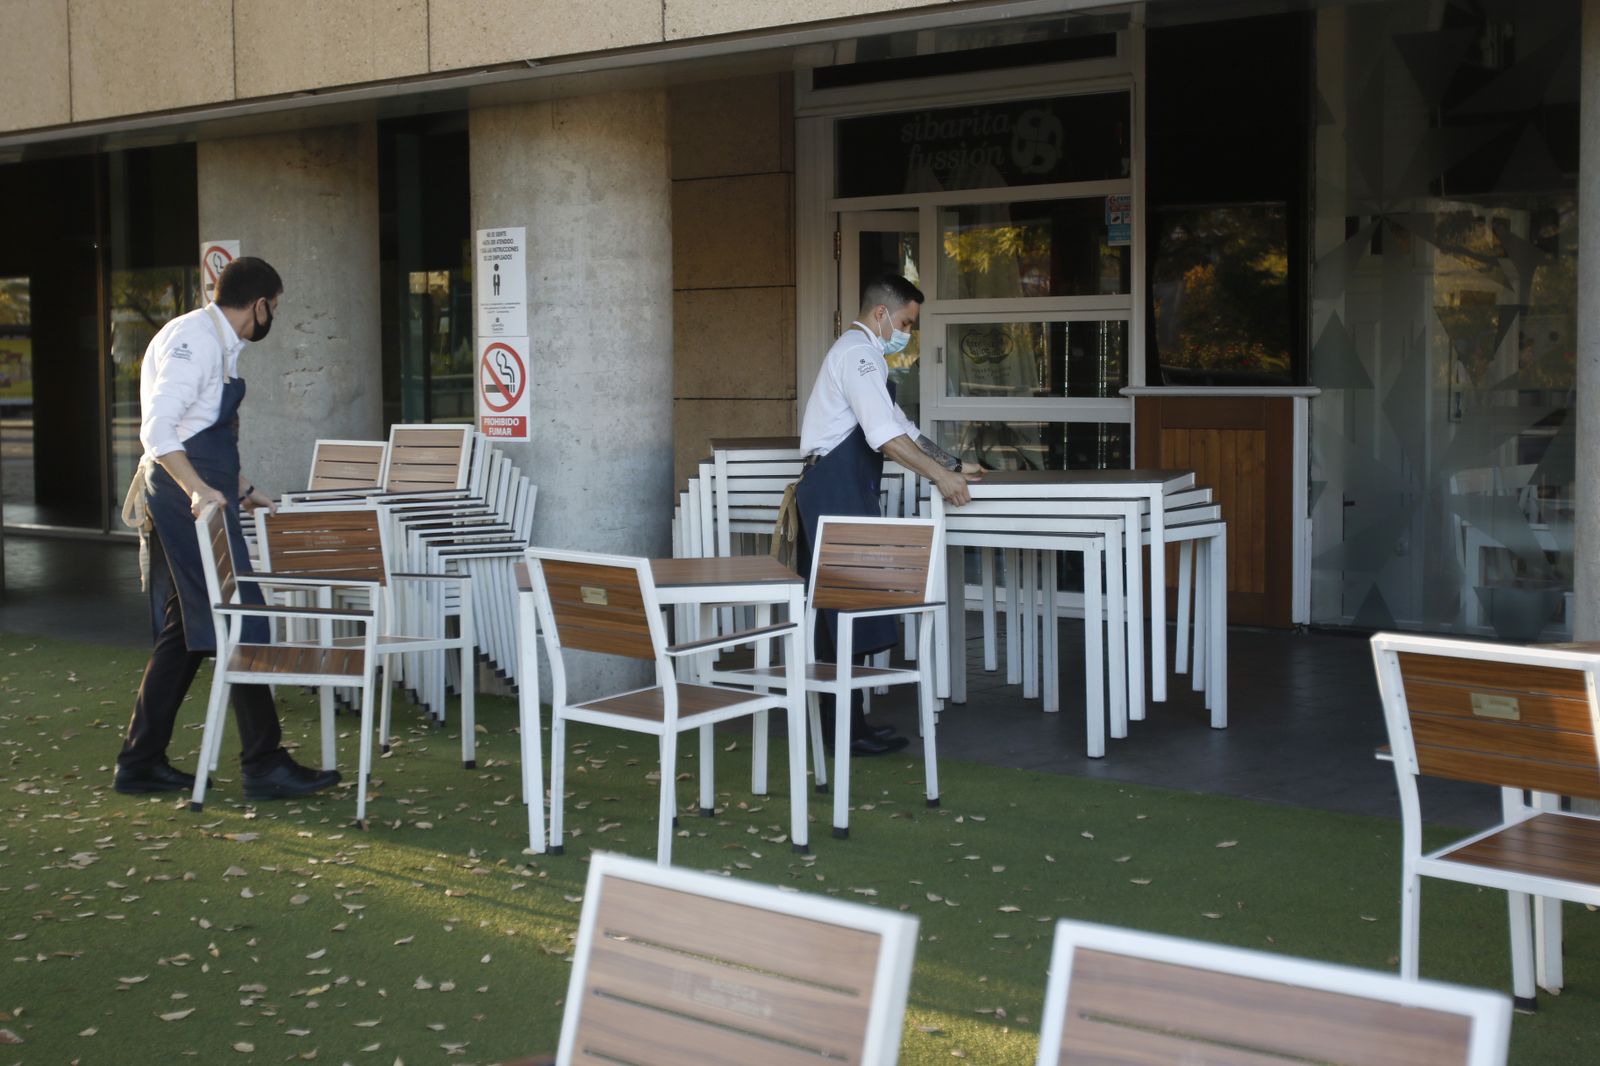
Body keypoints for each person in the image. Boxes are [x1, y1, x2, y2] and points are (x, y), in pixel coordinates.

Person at [113, 257, 342, 800]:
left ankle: (140, 761)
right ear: (259, 304)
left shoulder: (215, 340)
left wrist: (240, 487)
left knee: (189, 631)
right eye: (275, 308)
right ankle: (263, 763)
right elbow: (158, 431)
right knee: (240, 617)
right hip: (184, 501)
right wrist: (198, 490)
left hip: (201, 496)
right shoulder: (195, 341)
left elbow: (200, 430)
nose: (273, 317)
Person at [795, 274, 981, 756]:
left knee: (849, 607)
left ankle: (852, 725)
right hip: (835, 487)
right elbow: (884, 436)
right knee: (841, 608)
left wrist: (953, 464)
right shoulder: (857, 355)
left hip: (844, 486)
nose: (907, 333)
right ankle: (842, 731)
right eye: (905, 322)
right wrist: (940, 478)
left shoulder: (866, 357)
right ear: (881, 314)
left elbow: (904, 428)